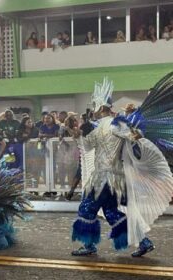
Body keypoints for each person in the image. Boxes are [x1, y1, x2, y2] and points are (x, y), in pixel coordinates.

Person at [70, 78, 173, 257]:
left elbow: (135, 136)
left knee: (86, 209)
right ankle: (144, 242)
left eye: (95, 104)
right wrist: (76, 134)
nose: (93, 108)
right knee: (111, 212)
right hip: (107, 177)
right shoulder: (100, 126)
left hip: (106, 178)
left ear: (102, 107)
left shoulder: (116, 124)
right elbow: (88, 145)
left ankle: (89, 245)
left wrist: (133, 130)